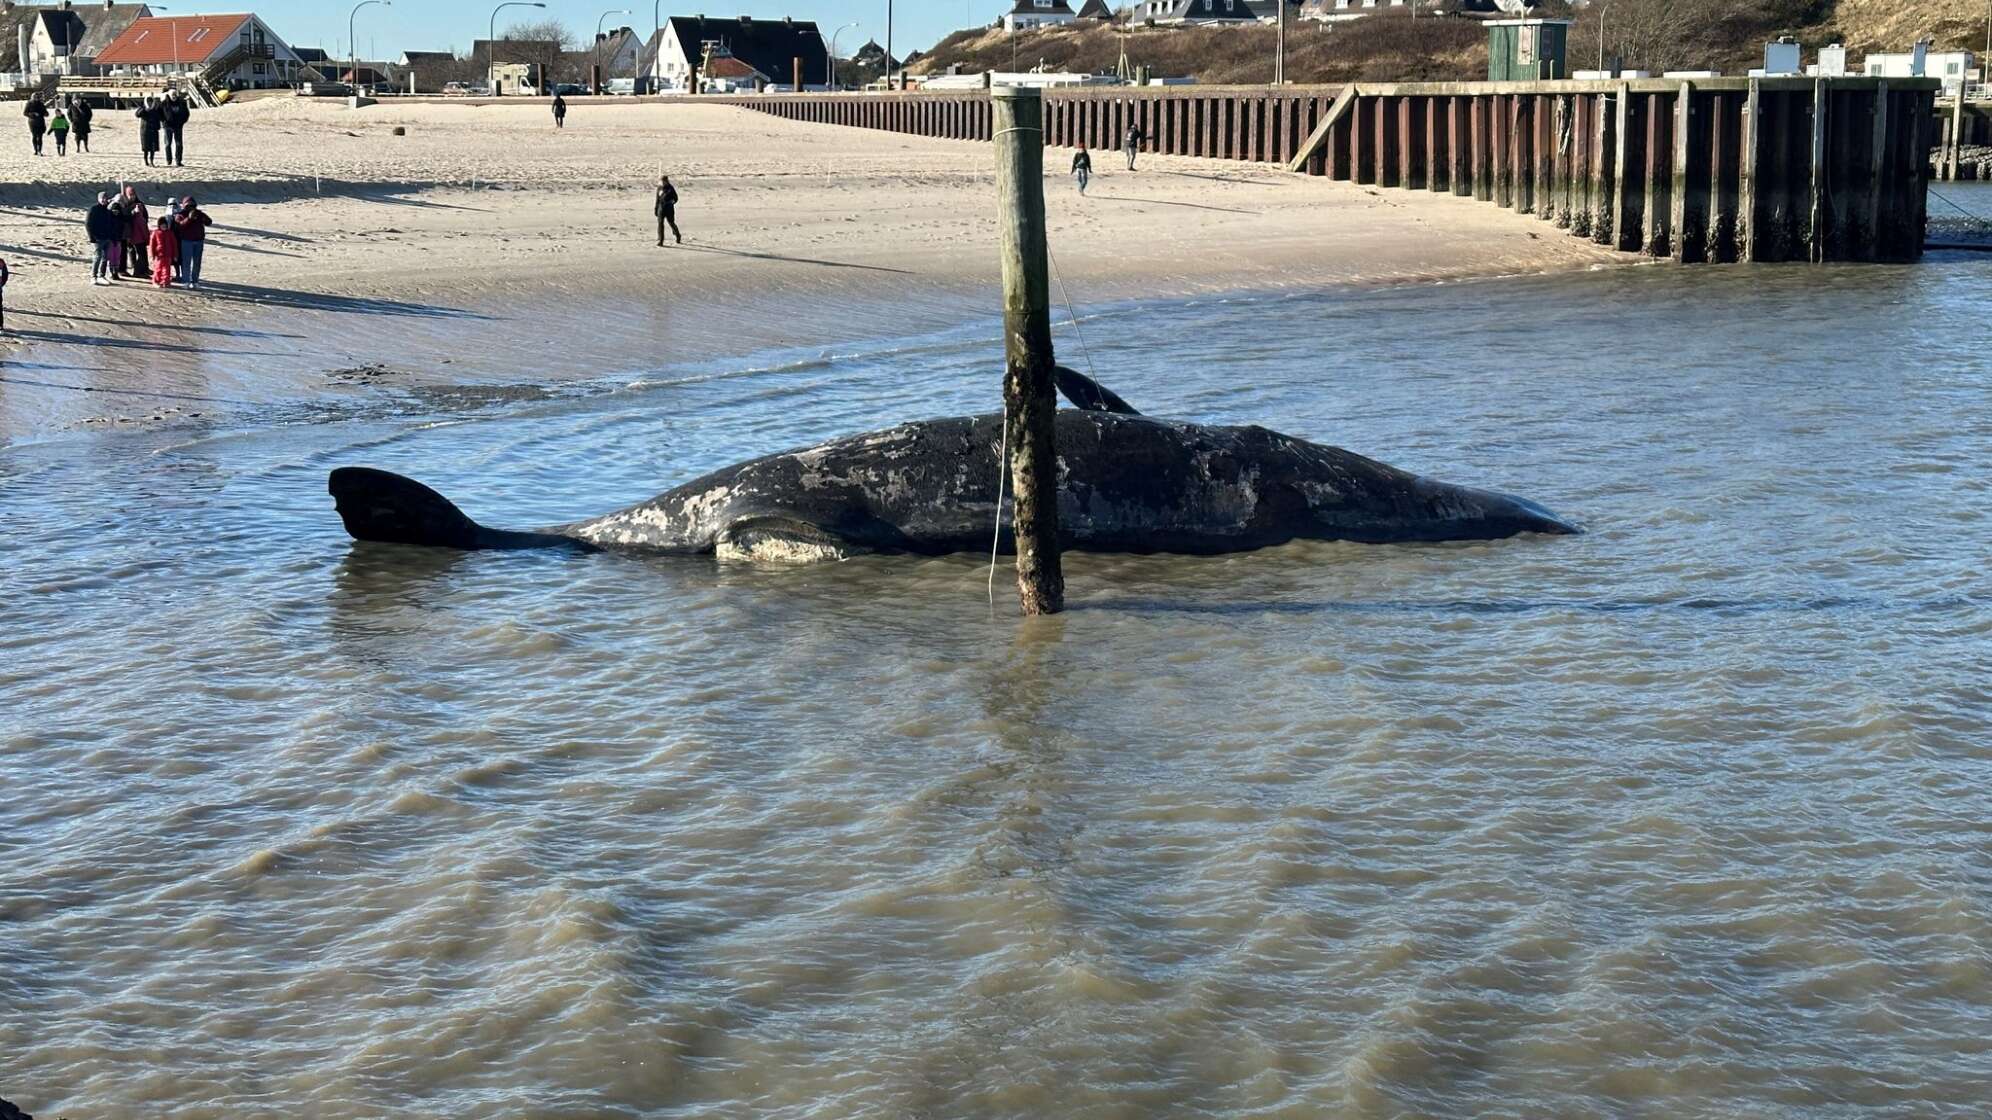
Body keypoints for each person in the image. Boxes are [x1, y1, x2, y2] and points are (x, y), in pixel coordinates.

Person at [172, 195, 211, 289]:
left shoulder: (199, 213)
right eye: (188, 205)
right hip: (186, 241)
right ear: (184, 205)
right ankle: (186, 281)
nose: (190, 207)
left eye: (192, 205)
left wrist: (203, 218)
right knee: (186, 263)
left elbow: (209, 222)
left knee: (197, 263)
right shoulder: (180, 214)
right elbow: (180, 226)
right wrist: (189, 218)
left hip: (199, 241)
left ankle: (195, 281)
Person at [85, 192, 122, 286]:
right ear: (99, 199)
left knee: (105, 258)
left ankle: (102, 275)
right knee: (98, 257)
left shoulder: (108, 211)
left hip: (107, 238)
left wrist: (112, 237)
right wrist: (91, 237)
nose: (104, 200)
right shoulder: (93, 209)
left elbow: (111, 224)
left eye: (106, 198)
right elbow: (88, 224)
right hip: (97, 238)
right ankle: (93, 276)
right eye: (102, 198)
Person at [123, 187, 150, 279]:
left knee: (142, 253)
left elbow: (145, 218)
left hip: (139, 233)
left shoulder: (140, 204)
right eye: (130, 195)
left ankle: (143, 269)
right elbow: (125, 217)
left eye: (133, 195)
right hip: (131, 234)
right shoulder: (125, 205)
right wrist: (133, 212)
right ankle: (137, 270)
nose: (132, 197)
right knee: (134, 252)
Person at [149, 216, 178, 289]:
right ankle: (156, 281)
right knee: (158, 268)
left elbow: (174, 244)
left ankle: (166, 281)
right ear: (159, 225)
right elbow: (152, 244)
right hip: (159, 255)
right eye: (162, 225)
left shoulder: (170, 233)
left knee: (167, 269)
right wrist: (152, 254)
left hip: (168, 255)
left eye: (165, 225)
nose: (164, 226)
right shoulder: (155, 233)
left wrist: (175, 255)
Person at [162, 92, 190, 166]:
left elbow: (186, 113)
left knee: (179, 144)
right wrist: (164, 122)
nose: (173, 96)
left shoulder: (181, 103)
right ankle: (169, 160)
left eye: (175, 95)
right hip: (168, 126)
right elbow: (160, 114)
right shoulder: (164, 103)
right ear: (169, 95)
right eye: (172, 95)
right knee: (168, 144)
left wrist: (182, 122)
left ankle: (178, 160)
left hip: (178, 126)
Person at [135, 97, 164, 167]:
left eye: (151, 102)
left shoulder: (156, 109)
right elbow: (137, 114)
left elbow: (161, 117)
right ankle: (146, 161)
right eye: (148, 102)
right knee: (146, 147)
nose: (149, 103)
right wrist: (143, 108)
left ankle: (152, 161)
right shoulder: (143, 108)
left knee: (153, 148)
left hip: (154, 130)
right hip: (145, 130)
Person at [105, 193, 127, 279]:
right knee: (111, 257)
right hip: (110, 239)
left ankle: (115, 272)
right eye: (114, 211)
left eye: (117, 211)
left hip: (118, 239)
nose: (116, 213)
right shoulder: (109, 219)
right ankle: (111, 273)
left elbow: (124, 223)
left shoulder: (120, 219)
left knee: (117, 257)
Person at [655, 175, 681, 246]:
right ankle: (661, 240)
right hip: (661, 208)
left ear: (667, 181)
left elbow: (675, 198)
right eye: (662, 181)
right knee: (660, 224)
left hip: (669, 209)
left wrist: (671, 202)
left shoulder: (670, 188)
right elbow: (657, 199)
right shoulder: (659, 188)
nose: (663, 183)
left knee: (671, 223)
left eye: (664, 181)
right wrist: (656, 208)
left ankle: (678, 235)